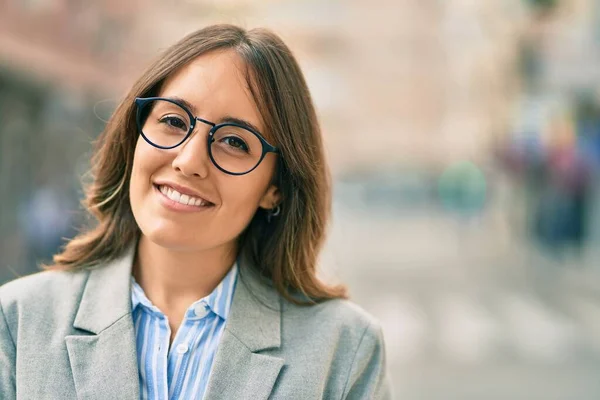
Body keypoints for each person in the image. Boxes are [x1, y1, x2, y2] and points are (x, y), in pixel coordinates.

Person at [0, 24, 390, 399]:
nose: (189, 161)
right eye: (172, 120)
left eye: (235, 142)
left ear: (275, 189)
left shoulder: (344, 350)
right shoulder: (17, 322)